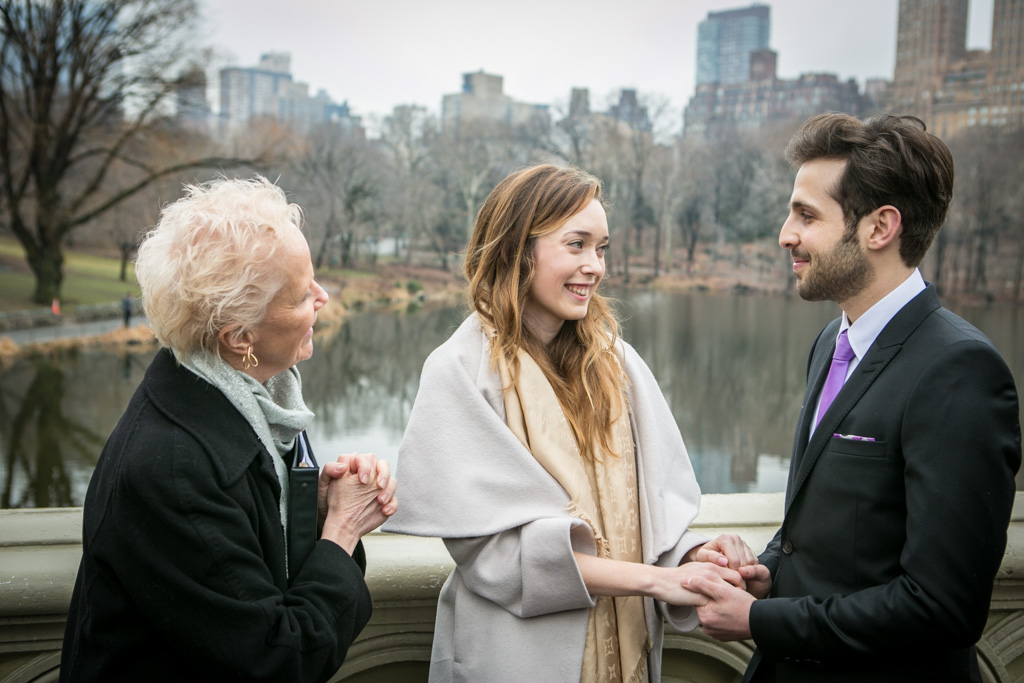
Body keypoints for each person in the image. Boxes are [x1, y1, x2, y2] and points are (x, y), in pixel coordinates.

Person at [385, 164, 760, 683]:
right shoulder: (460, 370)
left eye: (601, 248)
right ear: (517, 249)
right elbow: (499, 557)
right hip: (516, 660)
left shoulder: (619, 364)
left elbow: (652, 518)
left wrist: (698, 554)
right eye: (576, 244)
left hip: (628, 653)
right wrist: (654, 581)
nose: (595, 266)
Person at [686, 113, 1022, 682]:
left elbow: (943, 609)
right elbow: (827, 528)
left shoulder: (959, 371)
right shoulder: (830, 341)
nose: (785, 234)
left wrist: (762, 620)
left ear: (879, 227)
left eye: (806, 215)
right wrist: (767, 572)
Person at [61, 177, 398, 682]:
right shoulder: (176, 470)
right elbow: (279, 659)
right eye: (303, 294)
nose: (324, 297)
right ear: (240, 337)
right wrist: (342, 532)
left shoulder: (251, 403)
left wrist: (313, 503)